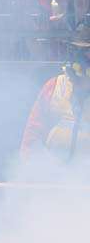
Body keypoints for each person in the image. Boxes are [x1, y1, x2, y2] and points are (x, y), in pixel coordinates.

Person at [21, 20, 90, 164]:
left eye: (86, 51)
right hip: (53, 177)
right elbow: (31, 138)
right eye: (75, 50)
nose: (80, 57)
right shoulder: (54, 87)